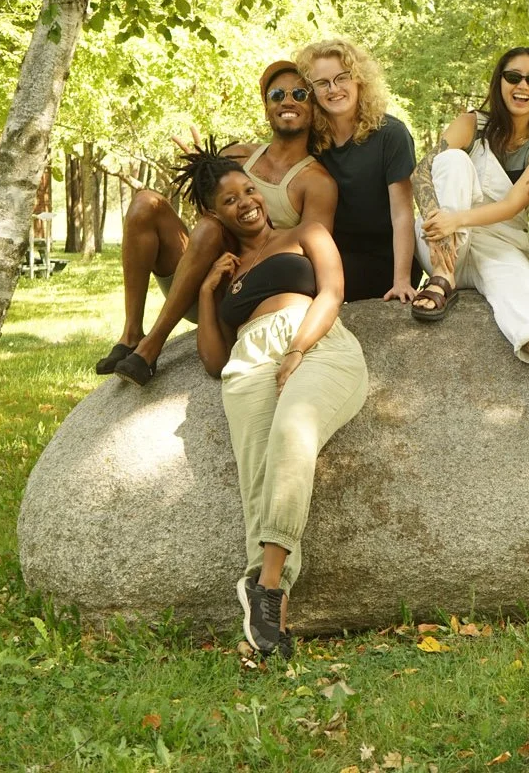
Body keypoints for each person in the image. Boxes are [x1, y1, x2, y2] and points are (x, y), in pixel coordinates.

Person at [179, 149, 366, 659]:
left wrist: (298, 348)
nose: (246, 203)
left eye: (249, 190)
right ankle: (272, 625)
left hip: (316, 342)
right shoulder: (228, 271)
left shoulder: (306, 233)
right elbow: (214, 361)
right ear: (214, 214)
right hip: (248, 361)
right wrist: (207, 292)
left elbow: (332, 293)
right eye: (229, 201)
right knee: (258, 477)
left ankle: (266, 585)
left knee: (293, 433)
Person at [95, 61, 337, 385]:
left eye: (300, 94)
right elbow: (206, 209)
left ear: (313, 107)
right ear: (266, 108)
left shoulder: (318, 182)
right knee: (145, 203)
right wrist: (201, 172)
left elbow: (311, 259)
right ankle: (131, 335)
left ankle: (150, 348)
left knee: (212, 228)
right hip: (200, 275)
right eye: (277, 95)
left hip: (241, 291)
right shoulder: (237, 155)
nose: (288, 101)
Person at [411, 47, 529, 416]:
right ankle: (442, 277)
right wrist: (439, 220)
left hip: (498, 242)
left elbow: (512, 204)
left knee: (522, 289)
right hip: (443, 245)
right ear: (500, 81)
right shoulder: (472, 124)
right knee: (452, 160)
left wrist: (458, 220)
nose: (523, 85)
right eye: (513, 76)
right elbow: (422, 172)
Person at [295, 39, 420, 302]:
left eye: (342, 78)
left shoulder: (391, 135)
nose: (334, 89)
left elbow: (402, 214)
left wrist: (401, 281)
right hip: (332, 254)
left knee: (297, 276)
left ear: (359, 79)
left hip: (385, 259)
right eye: (322, 83)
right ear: (311, 91)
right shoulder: (311, 140)